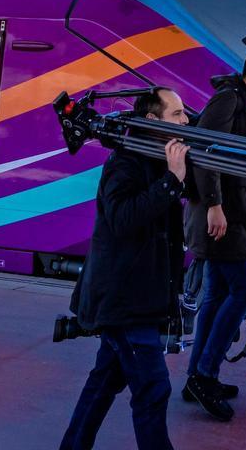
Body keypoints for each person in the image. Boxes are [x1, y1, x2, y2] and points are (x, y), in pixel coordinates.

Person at [60, 87, 190, 450]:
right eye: (177, 114)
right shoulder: (125, 163)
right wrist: (172, 181)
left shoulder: (158, 160)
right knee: (153, 388)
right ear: (152, 120)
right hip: (124, 300)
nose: (186, 120)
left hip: (139, 298)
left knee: (103, 382)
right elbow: (121, 219)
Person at [183, 46, 246, 421]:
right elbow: (204, 149)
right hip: (226, 217)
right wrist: (214, 204)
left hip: (238, 214)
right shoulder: (229, 100)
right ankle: (205, 375)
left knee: (216, 295)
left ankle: (196, 376)